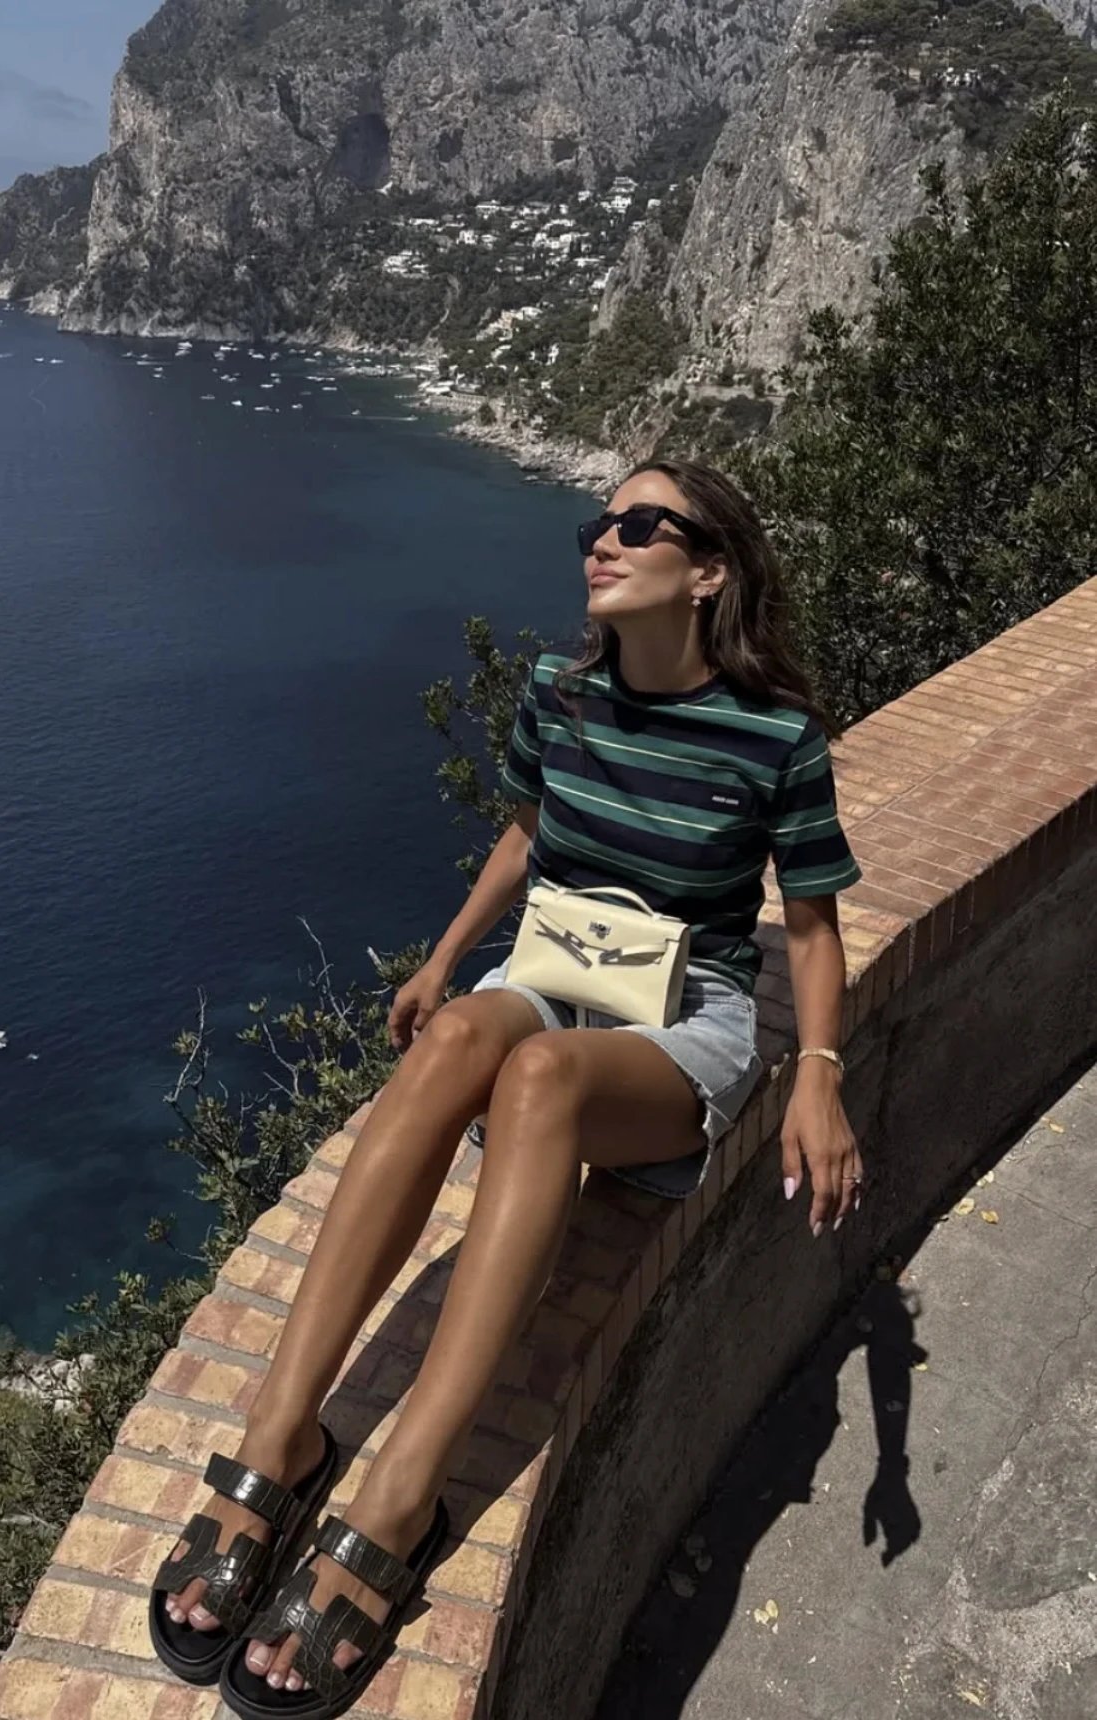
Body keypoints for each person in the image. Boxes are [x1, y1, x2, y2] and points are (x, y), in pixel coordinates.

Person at [149, 457, 865, 1719]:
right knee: (458, 1042)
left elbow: (808, 928)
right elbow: (528, 833)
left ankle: (401, 1492)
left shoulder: (774, 737)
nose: (604, 540)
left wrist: (818, 1072)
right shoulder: (556, 692)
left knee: (537, 1076)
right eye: (600, 522)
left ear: (709, 572)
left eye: (641, 524)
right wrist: (442, 960)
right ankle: (281, 1434)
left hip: (677, 1018)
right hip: (555, 968)